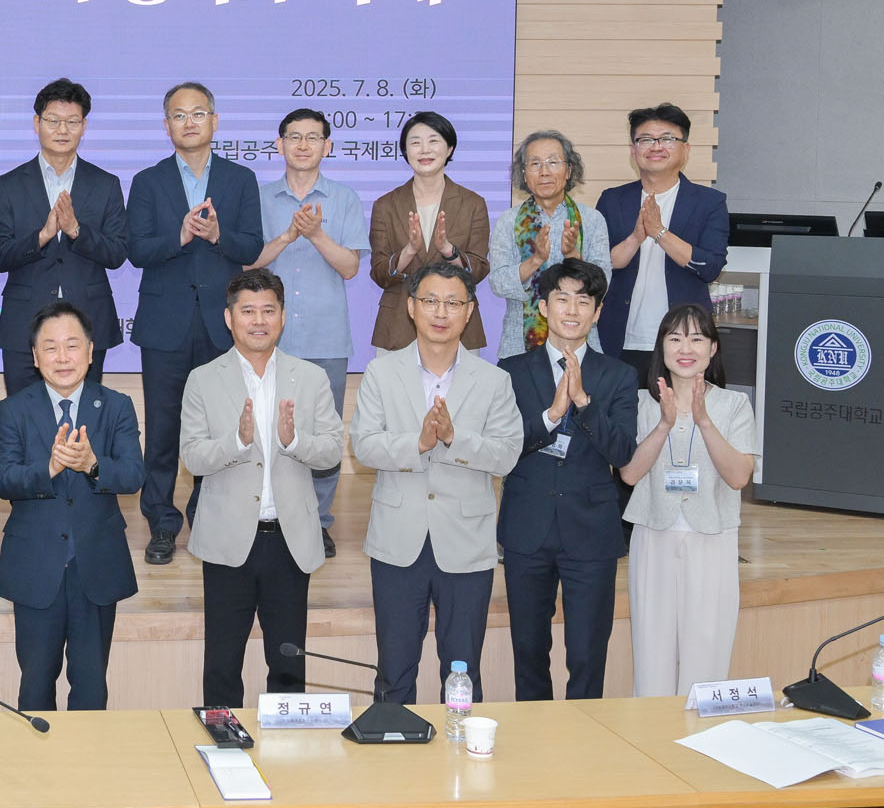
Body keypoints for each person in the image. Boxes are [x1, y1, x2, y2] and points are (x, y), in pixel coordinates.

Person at [350, 261, 520, 703]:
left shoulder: (495, 381)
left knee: (463, 672)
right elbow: (364, 445)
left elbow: (506, 454)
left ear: (469, 311)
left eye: (453, 303)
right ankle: (394, 743)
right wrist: (419, 443)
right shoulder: (380, 372)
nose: (441, 312)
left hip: (466, 543)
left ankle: (459, 747)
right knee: (394, 670)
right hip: (397, 540)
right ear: (411, 307)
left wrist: (452, 438)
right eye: (430, 301)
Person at [180, 270, 345, 707]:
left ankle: (287, 746)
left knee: (289, 663)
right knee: (221, 665)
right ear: (229, 318)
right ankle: (222, 742)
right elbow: (192, 457)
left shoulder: (310, 378)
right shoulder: (202, 379)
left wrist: (295, 442)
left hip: (288, 541)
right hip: (226, 541)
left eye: (268, 311)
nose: (258, 321)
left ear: (283, 317)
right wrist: (237, 441)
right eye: (248, 311)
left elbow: (331, 452)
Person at [127, 81, 264, 565]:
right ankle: (162, 524)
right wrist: (180, 236)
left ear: (215, 121)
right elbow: (136, 249)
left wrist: (220, 235)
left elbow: (252, 246)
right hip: (164, 323)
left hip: (220, 324)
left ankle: (208, 517)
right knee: (163, 429)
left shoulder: (240, 179)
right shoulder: (147, 181)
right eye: (179, 115)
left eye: (198, 113)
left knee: (219, 427)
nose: (189, 122)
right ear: (167, 126)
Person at [0, 301, 144, 711]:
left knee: (91, 688)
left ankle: (89, 755)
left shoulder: (117, 406)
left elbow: (133, 475)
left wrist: (93, 465)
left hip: (96, 567)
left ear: (91, 352)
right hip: (35, 568)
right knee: (35, 686)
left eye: (72, 346)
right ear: (35, 357)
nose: (62, 357)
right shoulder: (13, 410)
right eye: (51, 347)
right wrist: (49, 468)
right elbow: (2, 479)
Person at [497, 259, 639, 701]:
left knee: (587, 655)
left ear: (597, 312)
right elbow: (501, 449)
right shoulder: (510, 371)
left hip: (591, 532)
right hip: (527, 528)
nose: (572, 310)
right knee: (528, 653)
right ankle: (534, 738)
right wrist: (551, 416)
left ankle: (584, 737)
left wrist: (583, 404)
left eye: (583, 301)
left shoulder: (618, 375)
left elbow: (623, 453)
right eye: (562, 299)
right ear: (543, 307)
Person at [247, 107, 367, 559]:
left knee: (322, 434)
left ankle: (317, 521)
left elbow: (351, 267)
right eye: (294, 137)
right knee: (261, 427)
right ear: (279, 144)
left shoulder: (344, 198)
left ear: (327, 146)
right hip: (264, 336)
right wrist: (285, 237)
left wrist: (315, 234)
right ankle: (265, 514)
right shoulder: (258, 197)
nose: (303, 145)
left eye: (313, 137)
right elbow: (246, 262)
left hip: (325, 336)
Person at [619, 303, 756, 697]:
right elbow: (629, 474)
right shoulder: (641, 403)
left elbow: (739, 477)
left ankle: (701, 732)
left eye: (697, 338)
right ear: (661, 346)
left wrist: (704, 421)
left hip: (713, 537)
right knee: (652, 653)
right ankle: (653, 733)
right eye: (675, 338)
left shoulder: (733, 405)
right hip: (654, 534)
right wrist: (665, 424)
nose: (685, 348)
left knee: (707, 651)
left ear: (713, 348)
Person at [0, 77, 129, 398]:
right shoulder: (8, 185)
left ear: (84, 126)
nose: (62, 130)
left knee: (84, 418)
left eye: (72, 122)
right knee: (23, 417)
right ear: (37, 123)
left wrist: (76, 231)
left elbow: (118, 252)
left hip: (88, 321)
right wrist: (42, 236)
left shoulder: (105, 184)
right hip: (23, 325)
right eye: (53, 121)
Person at [595, 104, 731, 384]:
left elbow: (710, 267)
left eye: (667, 139)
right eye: (645, 139)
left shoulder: (709, 202)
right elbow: (600, 266)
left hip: (684, 345)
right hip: (620, 340)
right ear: (633, 150)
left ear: (685, 149)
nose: (656, 146)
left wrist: (659, 232)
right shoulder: (612, 200)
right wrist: (636, 238)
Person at [367, 111, 491, 353]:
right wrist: (409, 251)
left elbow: (477, 270)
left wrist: (449, 251)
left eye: (433, 141)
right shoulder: (385, 205)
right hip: (399, 324)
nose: (424, 150)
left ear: (450, 148)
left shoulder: (473, 203)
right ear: (405, 151)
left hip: (457, 325)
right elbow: (380, 274)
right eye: (415, 142)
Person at [489, 130, 613, 359]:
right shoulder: (508, 220)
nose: (544, 171)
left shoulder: (592, 219)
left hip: (581, 346)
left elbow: (602, 284)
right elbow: (498, 283)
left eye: (553, 162)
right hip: (519, 347)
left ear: (569, 170)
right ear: (524, 173)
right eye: (535, 164)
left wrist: (573, 256)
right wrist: (536, 260)